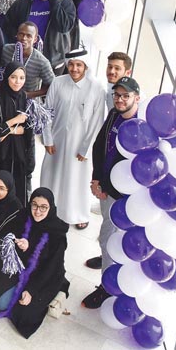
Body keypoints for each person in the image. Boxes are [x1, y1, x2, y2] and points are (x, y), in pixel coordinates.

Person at [83, 75, 141, 309]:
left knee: (111, 239)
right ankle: (106, 264)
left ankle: (107, 288)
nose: (119, 99)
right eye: (117, 95)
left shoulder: (140, 128)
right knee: (107, 234)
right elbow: (100, 145)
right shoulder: (115, 114)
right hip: (106, 190)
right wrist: (97, 178)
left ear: (137, 98)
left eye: (125, 96)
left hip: (124, 201)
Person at [0, 187, 70, 338]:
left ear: (50, 207)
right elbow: (7, 240)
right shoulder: (23, 217)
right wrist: (20, 246)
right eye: (34, 205)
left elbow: (51, 267)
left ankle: (60, 288)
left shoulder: (58, 234)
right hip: (20, 269)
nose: (37, 211)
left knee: (25, 316)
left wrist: (32, 290)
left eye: (43, 207)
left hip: (44, 277)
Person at [41, 48, 106, 229]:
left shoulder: (96, 88)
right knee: (52, 176)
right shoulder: (58, 82)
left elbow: (97, 121)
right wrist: (47, 139)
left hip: (80, 146)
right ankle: (49, 211)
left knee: (77, 180)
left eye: (79, 65)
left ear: (86, 66)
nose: (74, 69)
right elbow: (47, 112)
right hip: (56, 141)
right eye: (71, 64)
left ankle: (78, 215)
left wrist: (86, 148)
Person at [4, 0, 77, 73]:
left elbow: (64, 27)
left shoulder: (65, 2)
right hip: (24, 58)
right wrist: (18, 41)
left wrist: (54, 2)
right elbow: (8, 23)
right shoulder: (24, 1)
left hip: (53, 60)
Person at [0, 63, 34, 210]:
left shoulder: (23, 96)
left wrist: (9, 130)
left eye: (21, 78)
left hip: (19, 152)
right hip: (0, 153)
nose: (18, 81)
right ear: (6, 77)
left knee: (18, 186)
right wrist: (15, 122)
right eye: (13, 77)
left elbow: (27, 129)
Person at [0, 21, 55, 98]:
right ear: (17, 35)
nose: (24, 38)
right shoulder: (6, 50)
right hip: (5, 98)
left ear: (35, 39)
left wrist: (27, 95)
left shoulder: (42, 62)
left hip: (28, 104)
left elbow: (53, 86)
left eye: (29, 36)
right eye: (21, 34)